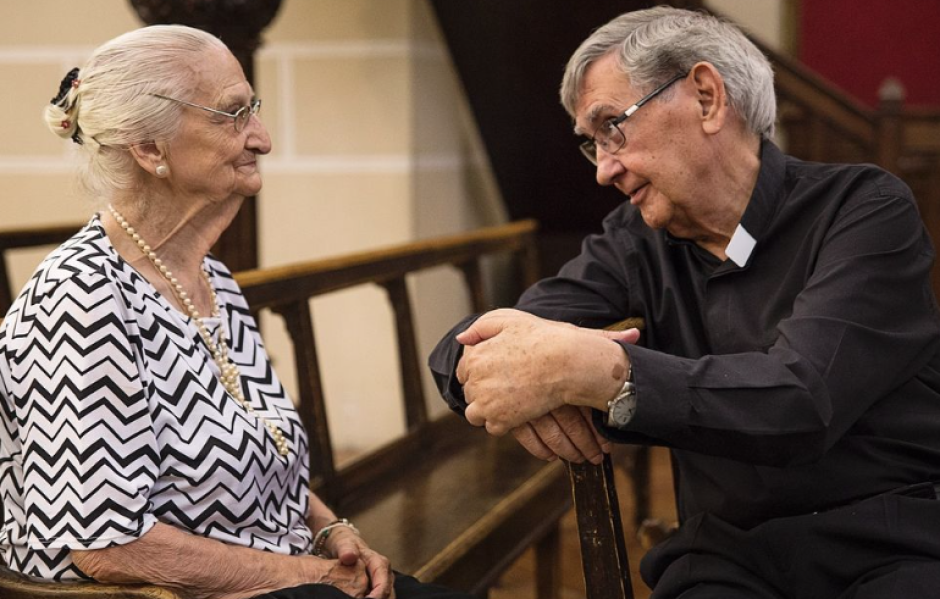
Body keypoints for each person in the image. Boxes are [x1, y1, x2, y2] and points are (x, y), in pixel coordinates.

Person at [430, 6, 940, 598]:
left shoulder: (865, 207)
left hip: (886, 543)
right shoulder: (632, 240)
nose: (604, 170)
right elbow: (463, 345)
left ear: (704, 97)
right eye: (592, 145)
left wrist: (604, 375)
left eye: (612, 128)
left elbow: (802, 402)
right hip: (728, 557)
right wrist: (515, 373)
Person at [0, 25, 471, 599]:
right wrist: (311, 573)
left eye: (255, 108)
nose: (263, 138)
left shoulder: (211, 278)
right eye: (232, 114)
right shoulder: (80, 299)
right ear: (149, 148)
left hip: (280, 572)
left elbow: (267, 449)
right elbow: (107, 544)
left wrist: (332, 533)